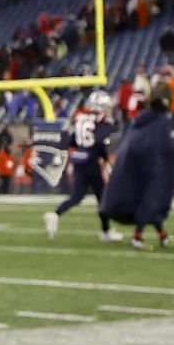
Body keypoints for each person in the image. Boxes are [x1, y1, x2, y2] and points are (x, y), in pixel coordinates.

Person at [100, 94, 174, 249]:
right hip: (148, 168)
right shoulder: (158, 124)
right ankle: (137, 238)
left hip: (134, 169)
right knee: (150, 201)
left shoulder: (137, 123)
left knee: (150, 202)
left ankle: (163, 236)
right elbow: (167, 147)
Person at [46, 92, 117, 240]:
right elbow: (99, 142)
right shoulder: (102, 121)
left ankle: (55, 214)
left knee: (77, 196)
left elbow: (72, 141)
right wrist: (104, 158)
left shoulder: (80, 118)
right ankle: (106, 232)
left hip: (79, 160)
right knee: (102, 197)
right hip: (93, 162)